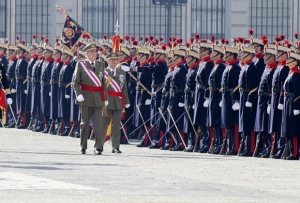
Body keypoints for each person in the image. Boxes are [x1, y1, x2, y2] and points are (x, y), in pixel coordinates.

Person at [73, 43, 108, 155]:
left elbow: (103, 84)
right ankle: (83, 146)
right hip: (85, 97)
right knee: (85, 123)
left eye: (95, 52)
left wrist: (105, 97)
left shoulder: (101, 64)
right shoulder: (81, 64)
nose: (94, 54)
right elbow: (76, 82)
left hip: (98, 98)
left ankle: (98, 147)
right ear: (87, 54)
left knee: (98, 124)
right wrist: (78, 94)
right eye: (92, 52)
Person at [100, 49, 130, 153]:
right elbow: (101, 88)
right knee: (104, 125)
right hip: (107, 102)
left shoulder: (122, 72)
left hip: (118, 102)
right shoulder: (103, 72)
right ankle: (100, 146)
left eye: (116, 60)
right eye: (112, 60)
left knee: (117, 125)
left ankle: (116, 146)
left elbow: (124, 88)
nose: (114, 61)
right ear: (107, 61)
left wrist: (127, 101)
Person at [253, 42, 277, 158]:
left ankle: (268, 147)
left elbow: (272, 88)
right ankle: (264, 147)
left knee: (266, 125)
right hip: (261, 99)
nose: (264, 57)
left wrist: (269, 103)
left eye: (267, 56)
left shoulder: (273, 70)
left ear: (272, 57)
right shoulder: (267, 68)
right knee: (261, 124)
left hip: (267, 98)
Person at [268, 40, 289, 159]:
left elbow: (283, 86)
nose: (276, 56)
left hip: (280, 99)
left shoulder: (285, 68)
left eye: (279, 54)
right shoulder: (279, 67)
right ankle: (276, 147)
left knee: (280, 124)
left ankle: (282, 148)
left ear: (285, 55)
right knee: (275, 123)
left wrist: (281, 101)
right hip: (274, 97)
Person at [237, 44, 259, 157]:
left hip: (248, 96)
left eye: (244, 53)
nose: (241, 55)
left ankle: (250, 148)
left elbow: (254, 85)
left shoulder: (252, 67)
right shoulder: (244, 66)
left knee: (248, 123)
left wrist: (250, 99)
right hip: (243, 95)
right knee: (243, 123)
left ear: (250, 54)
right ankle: (245, 147)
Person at [193, 38, 214, 153]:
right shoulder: (202, 63)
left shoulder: (209, 64)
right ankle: (203, 142)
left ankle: (207, 143)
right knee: (200, 120)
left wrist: (206, 97)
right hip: (198, 93)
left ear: (207, 51)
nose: (199, 51)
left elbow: (207, 82)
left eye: (202, 49)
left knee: (204, 119)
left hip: (203, 94)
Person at [219, 44, 241, 155]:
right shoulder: (228, 66)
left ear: (232, 55)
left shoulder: (235, 67)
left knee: (233, 123)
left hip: (232, 97)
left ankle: (235, 147)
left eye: (227, 54)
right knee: (227, 122)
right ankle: (230, 145)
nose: (225, 55)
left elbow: (237, 85)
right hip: (226, 96)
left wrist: (236, 100)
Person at [206, 38, 226, 154]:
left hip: (217, 97)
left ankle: (220, 144)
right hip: (212, 96)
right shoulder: (215, 65)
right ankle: (217, 143)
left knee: (218, 121)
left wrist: (219, 99)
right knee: (214, 121)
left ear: (219, 54)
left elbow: (220, 85)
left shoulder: (221, 66)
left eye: (213, 53)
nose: (211, 54)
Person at [281, 43, 300, 160]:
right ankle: (290, 151)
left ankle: (294, 153)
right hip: (288, 102)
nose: (287, 61)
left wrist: (297, 106)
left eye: (290, 59)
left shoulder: (296, 75)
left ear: (295, 61)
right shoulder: (290, 73)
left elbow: (298, 92)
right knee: (288, 128)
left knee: (294, 129)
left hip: (293, 104)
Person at [182, 42, 200, 152]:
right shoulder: (190, 70)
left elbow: (194, 87)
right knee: (188, 121)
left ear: (194, 59)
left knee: (193, 122)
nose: (186, 59)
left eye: (188, 57)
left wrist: (194, 101)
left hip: (193, 98)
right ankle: (192, 143)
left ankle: (195, 143)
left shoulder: (195, 70)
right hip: (188, 98)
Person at [57, 47, 74, 136]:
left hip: (65, 90)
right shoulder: (64, 65)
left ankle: (68, 127)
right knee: (62, 109)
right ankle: (64, 126)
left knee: (65, 109)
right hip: (61, 89)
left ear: (68, 56)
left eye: (64, 55)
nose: (62, 56)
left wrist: (67, 92)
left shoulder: (70, 67)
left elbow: (69, 81)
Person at [48, 39, 64, 134]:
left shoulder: (60, 63)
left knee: (57, 106)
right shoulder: (54, 63)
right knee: (53, 106)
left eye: (55, 52)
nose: (53, 54)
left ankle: (58, 124)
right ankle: (53, 124)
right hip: (53, 87)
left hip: (58, 88)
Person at [24, 35, 38, 129]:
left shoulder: (36, 59)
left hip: (35, 83)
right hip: (29, 83)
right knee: (29, 103)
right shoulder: (32, 59)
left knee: (34, 103)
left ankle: (34, 121)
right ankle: (31, 121)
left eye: (32, 48)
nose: (30, 50)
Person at [40, 39, 54, 133]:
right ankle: (46, 124)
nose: (44, 53)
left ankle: (49, 124)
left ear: (50, 52)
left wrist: (49, 89)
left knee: (47, 106)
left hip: (47, 87)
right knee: (43, 106)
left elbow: (50, 77)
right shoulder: (44, 62)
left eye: (46, 51)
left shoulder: (51, 62)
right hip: (42, 86)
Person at [14, 38, 29, 128]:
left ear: (22, 50)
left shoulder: (23, 61)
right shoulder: (19, 60)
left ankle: (23, 122)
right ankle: (19, 120)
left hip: (22, 84)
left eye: (18, 49)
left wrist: (24, 88)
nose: (16, 50)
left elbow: (25, 76)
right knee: (19, 102)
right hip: (18, 83)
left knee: (22, 103)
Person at [5, 42, 18, 128]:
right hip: (8, 85)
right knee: (8, 104)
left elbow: (14, 76)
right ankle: (10, 120)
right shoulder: (11, 62)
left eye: (9, 51)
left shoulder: (15, 62)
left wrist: (13, 87)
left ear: (13, 52)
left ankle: (13, 121)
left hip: (12, 86)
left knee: (12, 104)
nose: (7, 53)